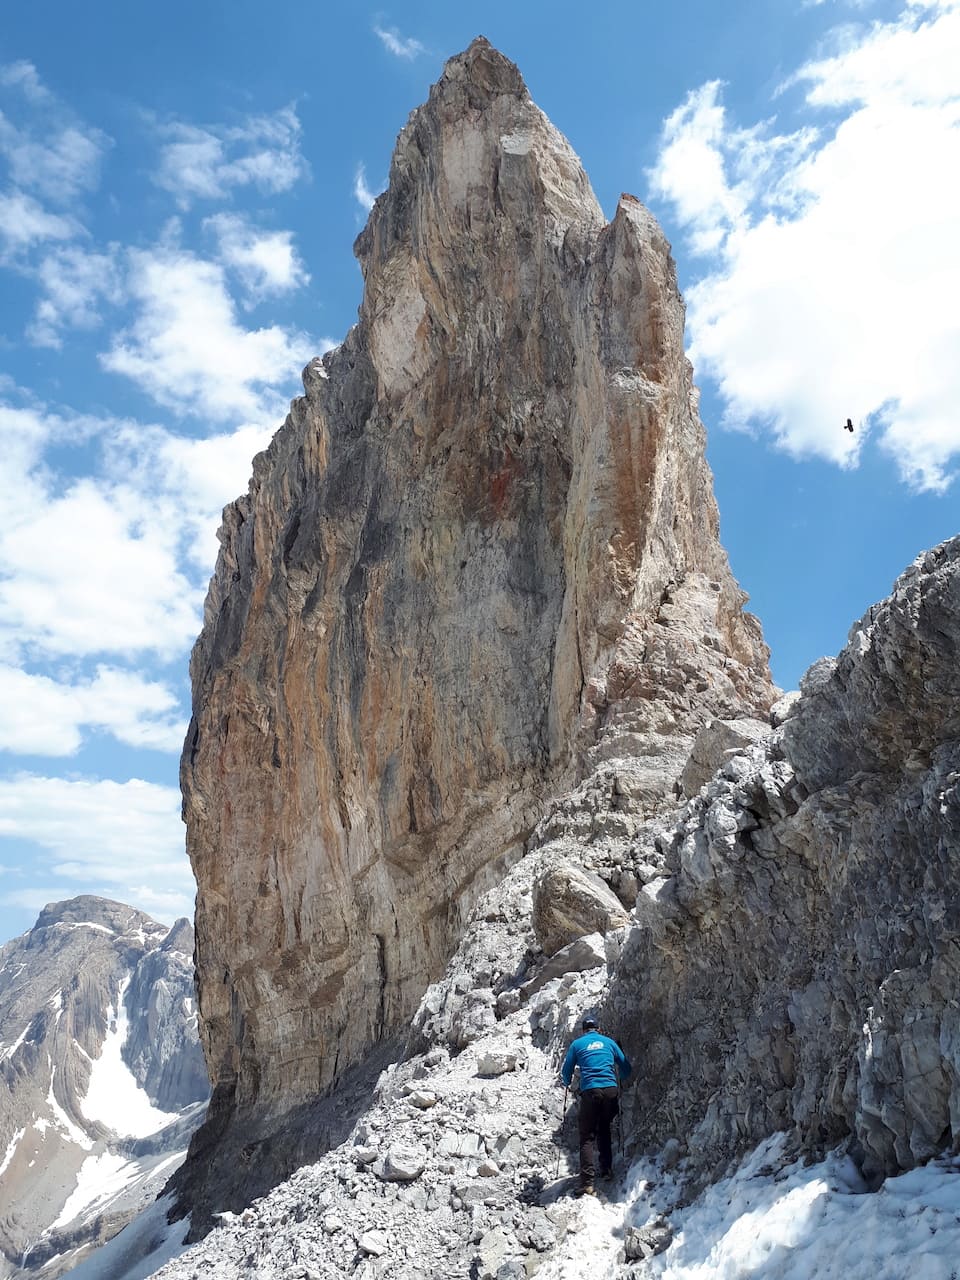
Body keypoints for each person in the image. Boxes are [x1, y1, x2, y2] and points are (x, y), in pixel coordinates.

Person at [561, 1015, 632, 1195]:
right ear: (598, 1029)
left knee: (587, 1135)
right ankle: (606, 1170)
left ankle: (587, 1182)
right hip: (610, 1090)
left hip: (591, 1091)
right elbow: (625, 1067)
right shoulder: (608, 1042)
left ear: (584, 1030)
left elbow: (566, 1070)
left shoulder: (577, 1044)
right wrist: (621, 1078)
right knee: (604, 1127)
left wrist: (566, 1081)